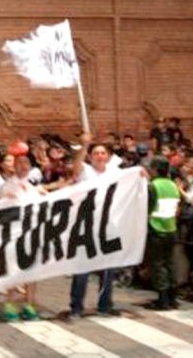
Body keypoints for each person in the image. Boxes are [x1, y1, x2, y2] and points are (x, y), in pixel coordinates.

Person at [69, 134, 120, 318]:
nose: (100, 156)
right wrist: (84, 146)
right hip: (86, 225)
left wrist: (141, 173)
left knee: (107, 269)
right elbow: (76, 167)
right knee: (82, 268)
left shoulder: (114, 172)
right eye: (96, 153)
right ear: (90, 157)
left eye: (103, 153)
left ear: (108, 156)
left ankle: (104, 305)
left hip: (108, 226)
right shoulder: (86, 171)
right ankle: (76, 306)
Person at [0, 155, 46, 321]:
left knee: (32, 270)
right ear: (15, 166)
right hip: (14, 232)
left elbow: (46, 198)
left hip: (33, 231)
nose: (23, 165)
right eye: (19, 163)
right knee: (13, 268)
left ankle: (29, 304)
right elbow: (3, 203)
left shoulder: (35, 184)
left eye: (26, 162)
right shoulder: (8, 184)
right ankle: (10, 303)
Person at [146, 157, 180, 310]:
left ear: (154, 169)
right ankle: (173, 298)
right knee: (169, 262)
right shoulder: (173, 185)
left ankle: (163, 300)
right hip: (171, 228)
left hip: (156, 229)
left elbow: (147, 207)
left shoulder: (153, 186)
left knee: (158, 264)